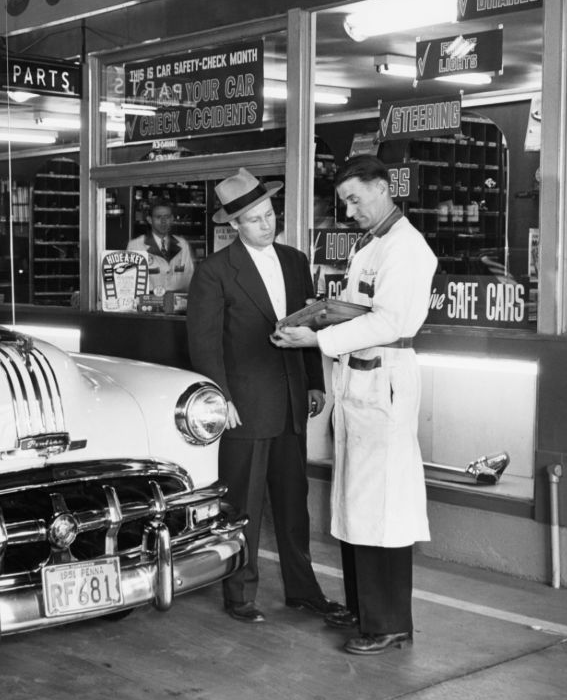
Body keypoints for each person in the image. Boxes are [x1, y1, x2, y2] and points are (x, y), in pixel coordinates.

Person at [271, 154, 438, 655]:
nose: (348, 211)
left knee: (383, 507)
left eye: (355, 199)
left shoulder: (406, 249)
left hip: (383, 382)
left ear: (384, 188)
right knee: (356, 504)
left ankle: (388, 622)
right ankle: (364, 609)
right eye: (343, 202)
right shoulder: (373, 245)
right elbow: (361, 310)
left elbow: (388, 323)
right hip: (360, 382)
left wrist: (316, 339)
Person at [186, 166, 342, 624]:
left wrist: (314, 380)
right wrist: (221, 398)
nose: (265, 224)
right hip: (244, 407)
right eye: (253, 219)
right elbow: (204, 344)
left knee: (294, 505)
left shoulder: (295, 261)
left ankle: (303, 590)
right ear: (233, 225)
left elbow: (311, 323)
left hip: (292, 401)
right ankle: (240, 593)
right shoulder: (214, 272)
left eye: (269, 214)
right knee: (244, 507)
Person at [127, 201, 195, 293]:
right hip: (148, 302)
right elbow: (130, 282)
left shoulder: (182, 244)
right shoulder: (136, 245)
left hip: (177, 302)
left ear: (172, 219)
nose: (163, 221)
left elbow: (190, 278)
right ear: (149, 220)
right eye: (158, 217)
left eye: (167, 217)